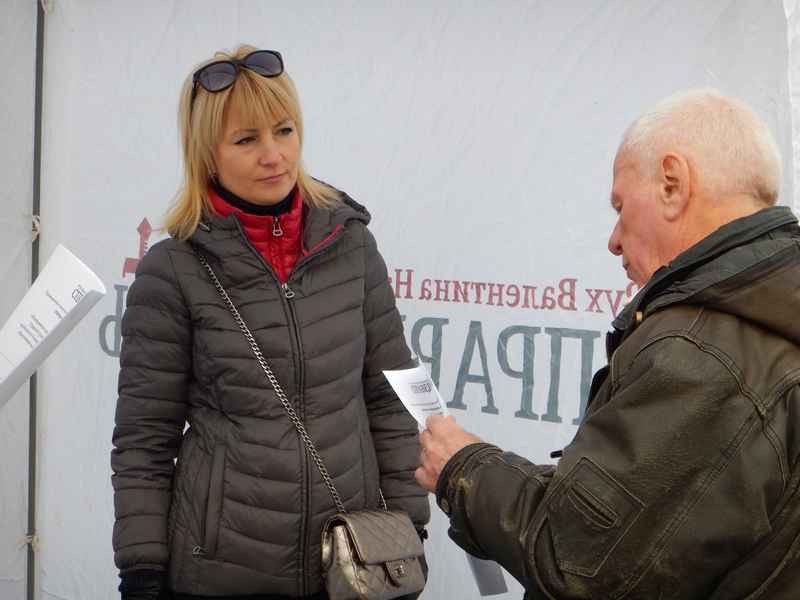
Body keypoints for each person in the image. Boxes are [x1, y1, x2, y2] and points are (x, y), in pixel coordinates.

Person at [416, 88, 800, 599]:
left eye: (621, 206)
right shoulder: (753, 319)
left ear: (672, 184)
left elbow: (579, 564)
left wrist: (464, 468)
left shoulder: (702, 353)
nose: (614, 239)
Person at [111, 44, 430, 600]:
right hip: (222, 571)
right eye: (245, 140)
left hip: (352, 563)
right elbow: (144, 443)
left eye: (284, 130)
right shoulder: (172, 270)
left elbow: (391, 398)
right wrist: (142, 571)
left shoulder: (351, 244)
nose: (274, 155)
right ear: (207, 154)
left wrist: (407, 528)